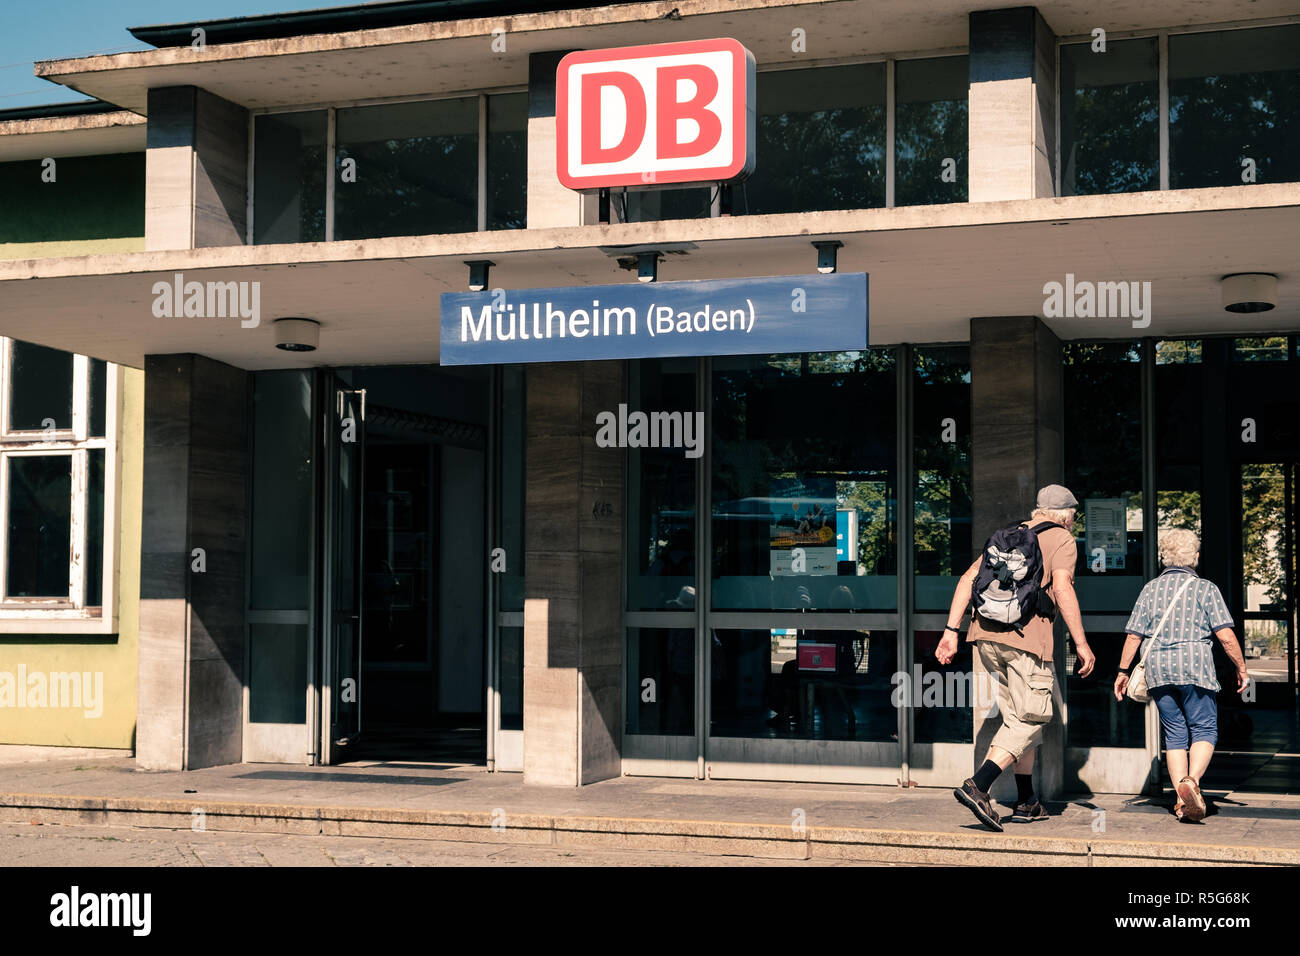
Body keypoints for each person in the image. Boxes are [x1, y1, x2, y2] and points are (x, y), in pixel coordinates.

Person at [936, 485, 1096, 831]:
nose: (1073, 521)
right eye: (1073, 516)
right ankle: (979, 785)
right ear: (1066, 515)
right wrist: (1081, 643)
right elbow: (1063, 588)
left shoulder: (1011, 535)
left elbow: (967, 579)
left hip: (986, 639)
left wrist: (951, 631)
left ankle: (1027, 801)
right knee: (1032, 717)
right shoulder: (1063, 540)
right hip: (1028, 644)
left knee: (1017, 719)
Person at [1113, 529, 1248, 823]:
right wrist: (1241, 667)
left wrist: (1123, 671)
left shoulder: (1150, 589)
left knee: (1174, 734)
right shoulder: (1206, 589)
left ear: (1165, 557)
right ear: (1195, 558)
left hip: (1159, 669)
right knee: (1204, 729)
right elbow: (1225, 635)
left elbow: (1134, 636)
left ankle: (1181, 801)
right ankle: (1192, 782)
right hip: (1195, 666)